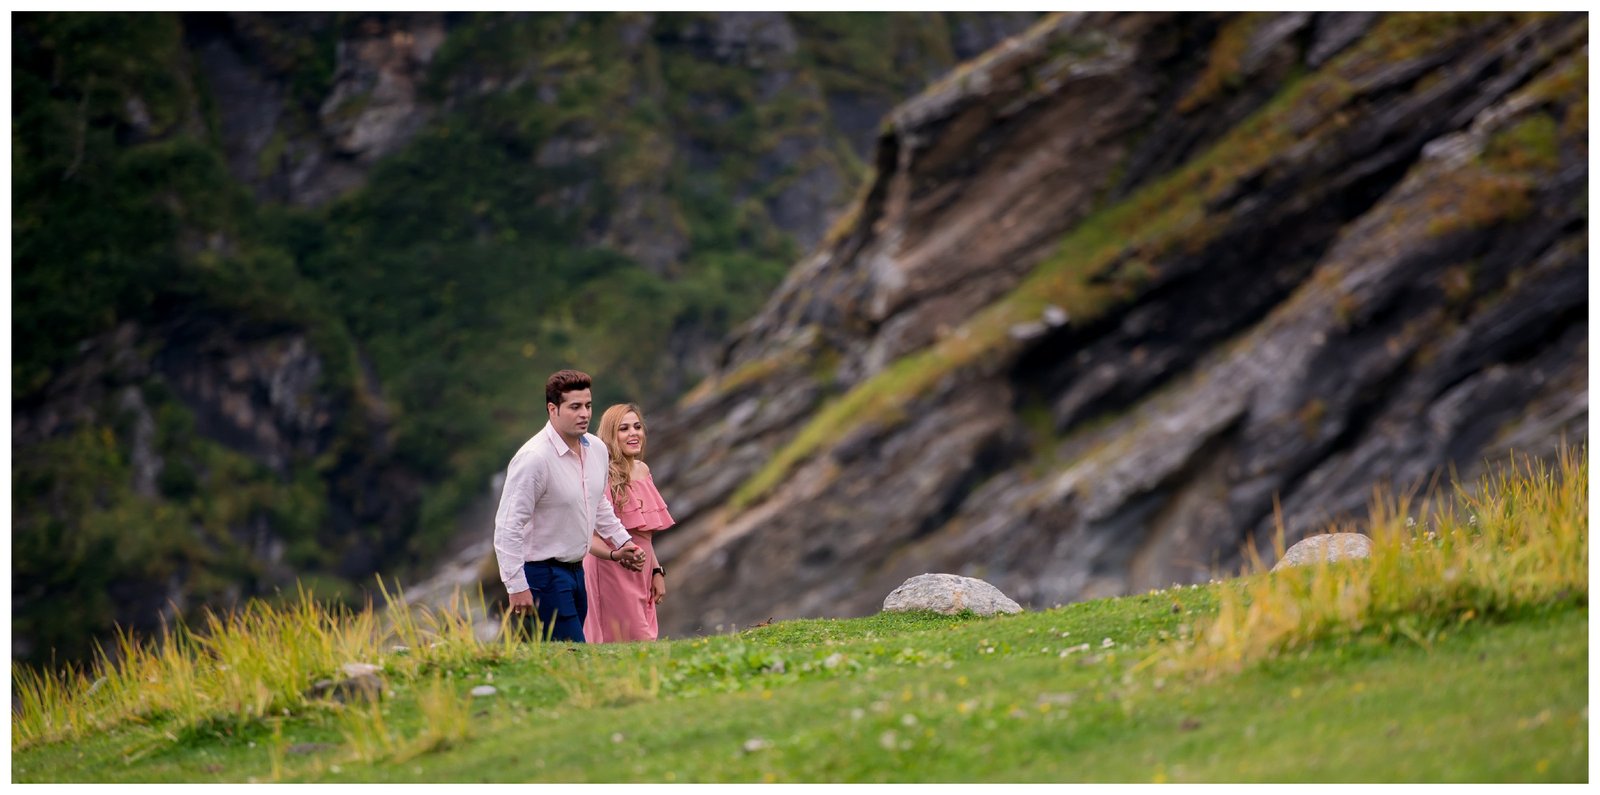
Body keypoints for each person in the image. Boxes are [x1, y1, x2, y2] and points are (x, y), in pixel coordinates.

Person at [492, 369, 647, 642]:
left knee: (568, 659)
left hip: (578, 572)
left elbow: (597, 503)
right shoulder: (533, 459)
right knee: (574, 652)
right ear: (553, 409)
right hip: (543, 574)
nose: (584, 414)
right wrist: (516, 586)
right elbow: (507, 527)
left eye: (587, 405)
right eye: (574, 407)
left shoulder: (597, 449)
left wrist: (623, 543)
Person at [583, 403, 675, 643]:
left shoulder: (643, 470)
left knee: (643, 636)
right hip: (609, 567)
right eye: (624, 429)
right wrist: (616, 556)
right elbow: (587, 536)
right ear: (611, 435)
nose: (633, 433)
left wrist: (656, 570)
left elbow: (644, 534)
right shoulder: (603, 474)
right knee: (628, 638)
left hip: (641, 567)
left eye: (637, 427)